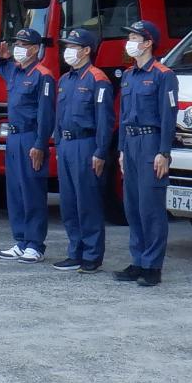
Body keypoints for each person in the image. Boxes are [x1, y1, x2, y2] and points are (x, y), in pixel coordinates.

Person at [115, 19, 179, 287]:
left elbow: (168, 115)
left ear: (148, 42)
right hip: (130, 144)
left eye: (134, 37)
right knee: (132, 206)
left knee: (150, 207)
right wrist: (120, 149)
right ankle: (139, 260)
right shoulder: (129, 75)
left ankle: (153, 265)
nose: (129, 42)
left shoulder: (164, 75)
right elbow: (122, 116)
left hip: (151, 143)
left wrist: (164, 151)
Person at [50, 27, 115, 272]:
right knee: (68, 202)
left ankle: (91, 254)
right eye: (67, 47)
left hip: (86, 144)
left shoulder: (97, 79)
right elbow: (59, 115)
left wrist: (100, 151)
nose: (68, 51)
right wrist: (57, 144)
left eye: (73, 47)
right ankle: (74, 251)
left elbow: (104, 120)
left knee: (87, 201)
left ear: (86, 50)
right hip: (66, 145)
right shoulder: (65, 80)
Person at [0, 27, 56, 263]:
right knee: (15, 191)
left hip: (31, 137)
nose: (18, 48)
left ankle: (35, 243)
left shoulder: (43, 75)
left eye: (23, 44)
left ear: (35, 49)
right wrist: (2, 57)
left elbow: (46, 114)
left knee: (32, 191)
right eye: (16, 43)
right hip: (13, 137)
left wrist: (40, 144)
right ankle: (21, 240)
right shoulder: (15, 71)